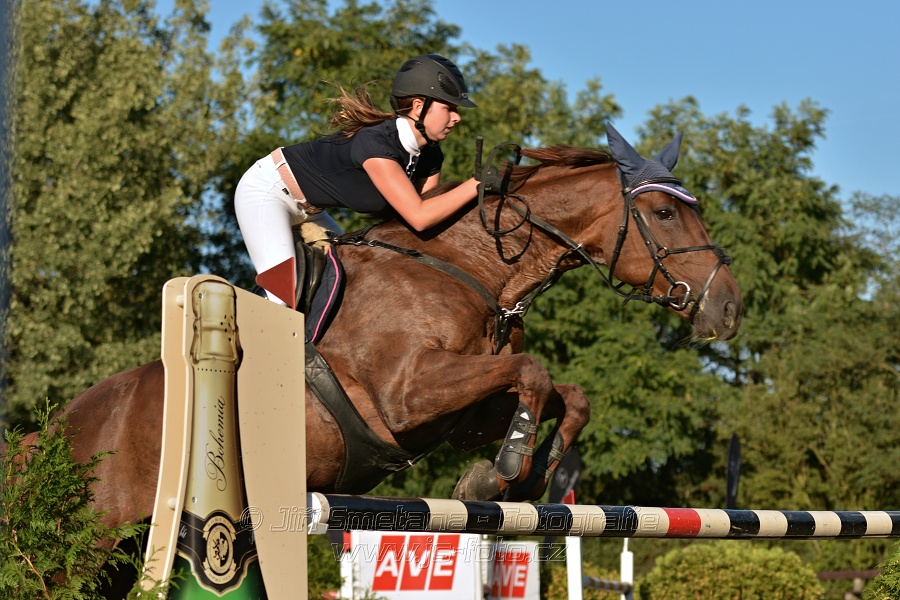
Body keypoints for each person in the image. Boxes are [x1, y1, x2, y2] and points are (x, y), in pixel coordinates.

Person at [234, 53, 482, 306]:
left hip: (309, 211)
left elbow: (422, 224)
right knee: (282, 295)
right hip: (269, 190)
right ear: (419, 106)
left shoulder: (429, 155)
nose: (456, 117)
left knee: (349, 278)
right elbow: (419, 217)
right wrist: (477, 183)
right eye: (449, 108)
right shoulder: (376, 143)